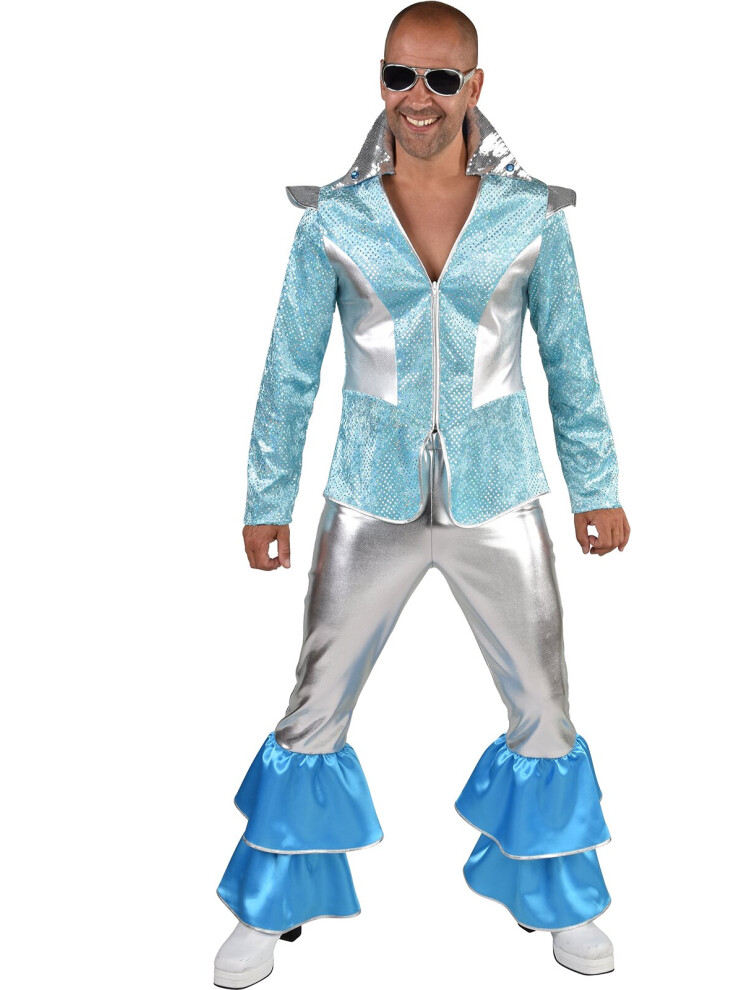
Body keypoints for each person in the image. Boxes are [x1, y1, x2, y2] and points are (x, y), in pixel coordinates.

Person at [213, 3, 631, 985]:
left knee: (544, 702)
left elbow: (570, 361)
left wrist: (596, 488)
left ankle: (558, 898)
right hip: (369, 496)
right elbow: (288, 371)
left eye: (442, 79)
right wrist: (266, 500)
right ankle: (268, 906)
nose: (419, 97)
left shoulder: (531, 216)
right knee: (315, 702)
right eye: (401, 75)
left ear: (475, 88)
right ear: (381, 79)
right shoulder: (335, 218)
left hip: (501, 494)